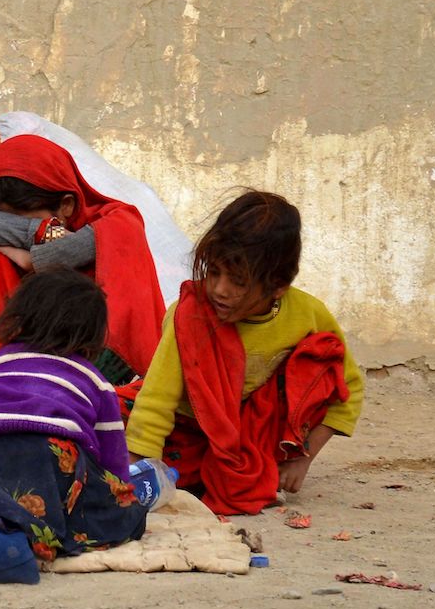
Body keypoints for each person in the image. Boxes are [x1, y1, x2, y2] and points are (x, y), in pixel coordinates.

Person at [124, 191, 365, 515]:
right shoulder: (189, 314)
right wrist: (140, 470)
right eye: (213, 272)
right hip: (184, 427)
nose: (220, 289)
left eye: (238, 282)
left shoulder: (308, 315)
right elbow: (157, 399)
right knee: (94, 417)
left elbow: (347, 390)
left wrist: (302, 457)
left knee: (319, 362)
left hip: (249, 438)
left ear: (278, 286)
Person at [0, 269, 146, 560]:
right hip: (53, 467)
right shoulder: (95, 380)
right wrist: (122, 497)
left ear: (19, 319)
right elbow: (112, 458)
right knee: (126, 513)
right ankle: (39, 529)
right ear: (92, 336)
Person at [0, 135, 165, 383]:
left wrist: (28, 259)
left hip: (100, 360)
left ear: (66, 205)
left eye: (18, 219)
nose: (7, 228)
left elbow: (62, 254)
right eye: (4, 221)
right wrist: (44, 230)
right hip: (35, 351)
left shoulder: (121, 222)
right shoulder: (47, 228)